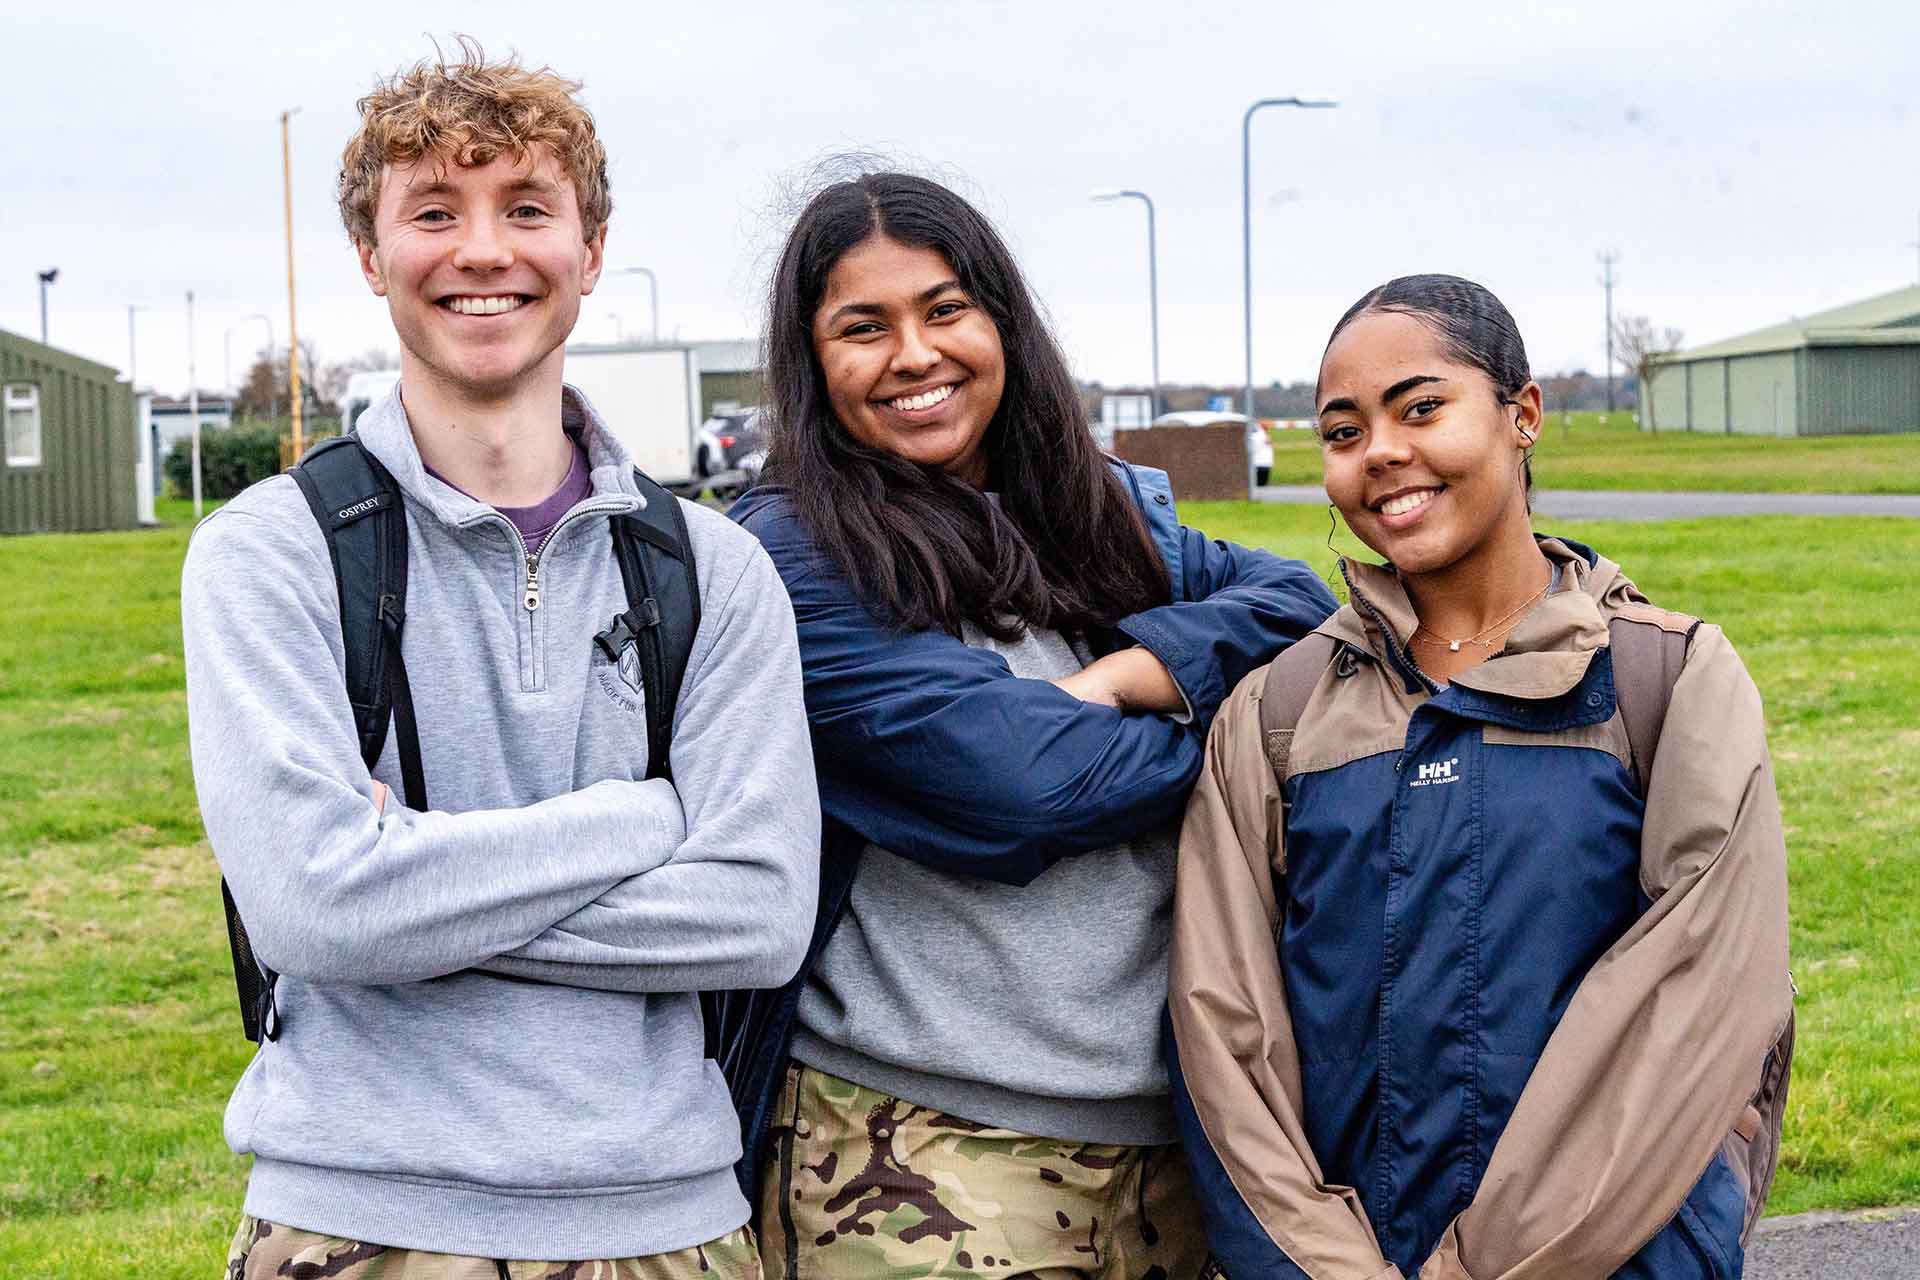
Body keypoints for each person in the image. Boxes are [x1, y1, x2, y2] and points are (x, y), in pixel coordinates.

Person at [183, 41, 818, 1278]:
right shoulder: (268, 554)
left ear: (590, 249)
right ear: (371, 256)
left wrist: (401, 880)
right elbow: (312, 905)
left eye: (527, 207)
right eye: (433, 211)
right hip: (355, 1223)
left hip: (668, 1224)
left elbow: (757, 911)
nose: (483, 250)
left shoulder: (714, 569)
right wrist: (645, 818)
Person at [723, 171, 1339, 1280]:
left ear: (1002, 321)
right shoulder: (792, 557)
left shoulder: (1099, 518)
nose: (915, 354)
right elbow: (1027, 782)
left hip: (1172, 1144)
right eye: (865, 327)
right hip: (918, 1155)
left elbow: (1301, 607)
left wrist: (1124, 674)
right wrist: (1232, 735)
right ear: (815, 364)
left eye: (947, 309)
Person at [1166, 274, 1793, 1279]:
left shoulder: (1664, 680)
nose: (1381, 452)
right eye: (1342, 431)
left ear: (1524, 415)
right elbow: (1222, 1034)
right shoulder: (1277, 714)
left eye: (1421, 408)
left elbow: (1698, 1016)